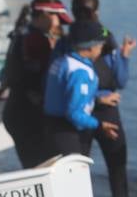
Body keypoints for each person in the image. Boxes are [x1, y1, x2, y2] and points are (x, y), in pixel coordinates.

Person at [57, 0, 136, 197]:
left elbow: (59, 81)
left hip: (78, 113)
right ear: (98, 12)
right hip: (105, 110)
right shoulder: (106, 38)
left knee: (77, 170)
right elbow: (120, 80)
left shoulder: (64, 42)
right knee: (117, 167)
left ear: (73, 12)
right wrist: (125, 56)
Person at [1, 0, 73, 168]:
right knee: (41, 169)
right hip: (28, 114)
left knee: (33, 167)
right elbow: (41, 75)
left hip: (16, 109)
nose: (58, 24)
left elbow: (9, 75)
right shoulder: (36, 40)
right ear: (44, 15)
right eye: (56, 18)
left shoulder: (21, 34)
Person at [43, 19, 121, 158]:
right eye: (100, 45)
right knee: (75, 176)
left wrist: (97, 100)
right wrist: (99, 125)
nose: (101, 49)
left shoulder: (61, 61)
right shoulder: (80, 72)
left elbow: (64, 96)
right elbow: (73, 113)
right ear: (91, 47)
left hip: (51, 126)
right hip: (66, 132)